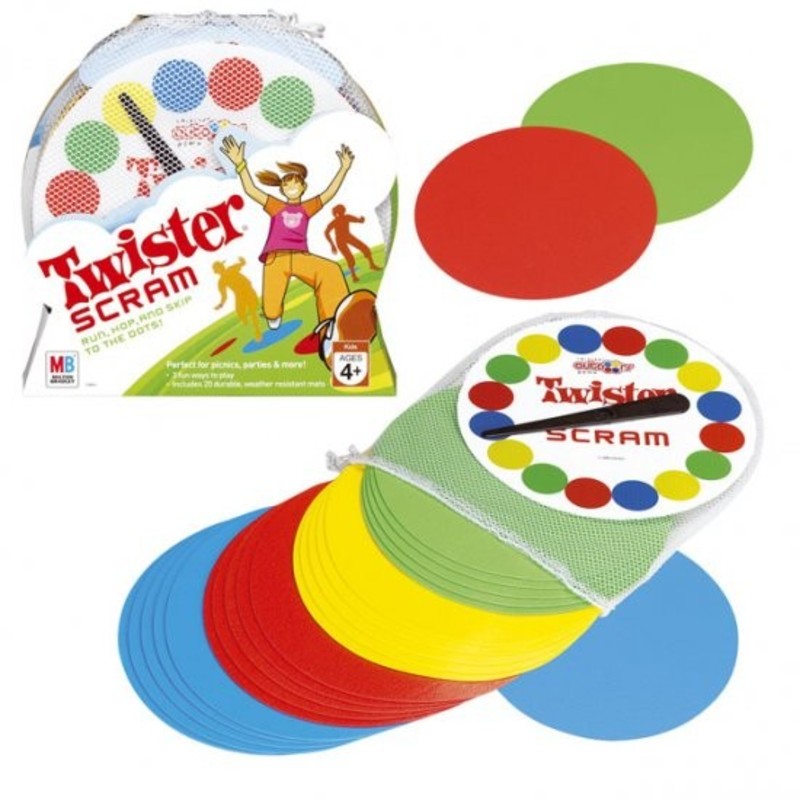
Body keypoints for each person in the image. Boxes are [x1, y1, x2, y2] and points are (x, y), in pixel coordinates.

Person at [219, 135, 376, 367]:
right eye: (286, 185)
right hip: (277, 258)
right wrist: (240, 164)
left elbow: (330, 192)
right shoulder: (275, 206)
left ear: (303, 187)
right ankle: (273, 316)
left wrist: (343, 168)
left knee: (330, 271)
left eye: (295, 184)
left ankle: (332, 328)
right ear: (282, 189)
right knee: (272, 309)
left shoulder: (307, 208)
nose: (291, 187)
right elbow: (251, 190)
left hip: (301, 256)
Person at [324, 204, 382, 281]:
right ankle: (353, 276)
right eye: (340, 211)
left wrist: (361, 219)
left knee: (364, 247)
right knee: (349, 257)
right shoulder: (335, 222)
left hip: (348, 236)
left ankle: (372, 265)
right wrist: (332, 245)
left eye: (342, 211)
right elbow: (326, 232)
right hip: (340, 240)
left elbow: (359, 221)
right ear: (337, 213)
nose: (342, 213)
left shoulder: (346, 217)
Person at [212, 257, 261, 342]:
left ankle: (257, 332)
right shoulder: (221, 281)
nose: (220, 269)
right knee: (241, 313)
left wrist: (242, 260)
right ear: (217, 271)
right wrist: (221, 304)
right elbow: (224, 296)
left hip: (248, 291)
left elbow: (243, 263)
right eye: (217, 269)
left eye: (219, 267)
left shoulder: (231, 269)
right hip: (239, 296)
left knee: (253, 312)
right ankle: (249, 329)